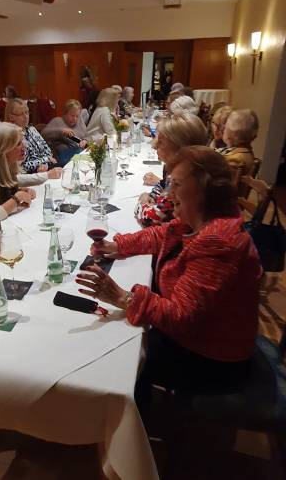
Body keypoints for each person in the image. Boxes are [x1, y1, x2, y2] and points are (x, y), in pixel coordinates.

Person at [76, 146, 262, 410]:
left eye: (177, 184)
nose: (168, 192)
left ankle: (133, 420)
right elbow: (161, 235)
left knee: (118, 359)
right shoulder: (199, 218)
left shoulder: (218, 241)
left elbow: (182, 317)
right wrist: (117, 246)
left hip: (212, 356)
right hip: (201, 335)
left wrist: (122, 297)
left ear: (204, 191)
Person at [136, 112, 207, 227]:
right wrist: (153, 196)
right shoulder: (173, 168)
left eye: (161, 142)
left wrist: (143, 202)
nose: (154, 145)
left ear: (179, 148)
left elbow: (151, 219)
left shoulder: (183, 180)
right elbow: (162, 184)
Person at [5, 98, 57, 173]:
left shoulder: (32, 129)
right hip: (28, 174)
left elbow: (48, 151)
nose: (26, 116)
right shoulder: (10, 136)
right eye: (21, 114)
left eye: (27, 112)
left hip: (46, 167)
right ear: (11, 117)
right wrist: (43, 161)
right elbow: (21, 166)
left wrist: (44, 164)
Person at [217, 109, 259, 183]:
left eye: (225, 127)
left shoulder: (235, 159)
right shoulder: (246, 151)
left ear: (232, 134)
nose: (223, 129)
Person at [42, 99, 88, 166]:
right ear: (65, 113)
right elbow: (43, 134)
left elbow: (86, 134)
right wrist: (61, 131)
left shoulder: (79, 121)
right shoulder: (57, 121)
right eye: (72, 115)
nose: (75, 119)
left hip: (79, 153)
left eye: (77, 116)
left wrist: (85, 140)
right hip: (63, 157)